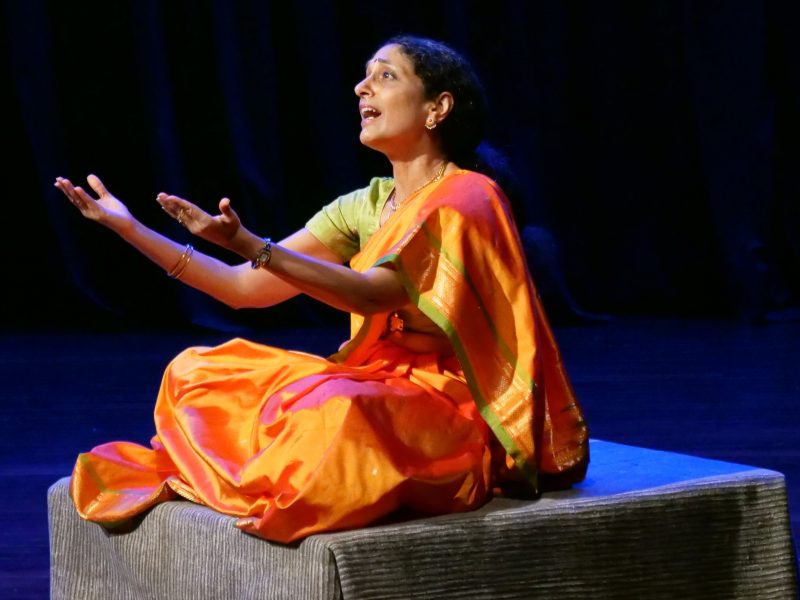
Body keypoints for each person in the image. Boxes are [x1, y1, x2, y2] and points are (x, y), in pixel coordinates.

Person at [54, 35, 589, 543]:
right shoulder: (364, 205)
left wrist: (249, 243)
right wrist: (130, 229)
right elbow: (243, 289)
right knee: (196, 373)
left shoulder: (469, 196)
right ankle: (265, 465)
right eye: (364, 76)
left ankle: (278, 469)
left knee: (334, 409)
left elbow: (373, 294)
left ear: (438, 107)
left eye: (386, 76)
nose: (361, 88)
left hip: (452, 409)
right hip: (376, 381)